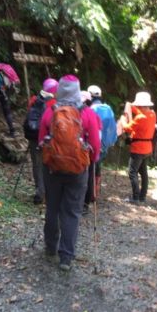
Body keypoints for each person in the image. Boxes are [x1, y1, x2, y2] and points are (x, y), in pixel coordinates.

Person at [39, 75, 101, 271]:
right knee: (72, 212)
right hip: (78, 170)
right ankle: (66, 257)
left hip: (53, 169)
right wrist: (91, 160)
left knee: (53, 208)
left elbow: (42, 140)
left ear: (59, 91)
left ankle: (50, 247)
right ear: (77, 91)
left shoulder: (50, 111)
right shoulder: (87, 114)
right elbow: (96, 145)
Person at [117, 91, 157, 204]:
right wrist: (131, 106)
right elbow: (140, 111)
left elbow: (128, 128)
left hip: (138, 148)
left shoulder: (140, 118)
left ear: (140, 105)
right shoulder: (152, 114)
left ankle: (135, 197)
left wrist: (123, 120)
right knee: (144, 173)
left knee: (132, 172)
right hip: (148, 148)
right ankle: (142, 197)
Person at [24, 78, 59, 204]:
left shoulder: (34, 100)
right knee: (50, 165)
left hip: (34, 138)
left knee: (37, 165)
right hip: (49, 139)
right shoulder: (55, 103)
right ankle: (50, 193)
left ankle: (39, 192)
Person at [85, 85, 117, 209]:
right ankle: (95, 193)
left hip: (93, 145)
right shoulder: (108, 109)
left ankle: (90, 195)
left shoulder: (90, 110)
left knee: (90, 170)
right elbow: (112, 128)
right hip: (104, 145)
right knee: (97, 168)